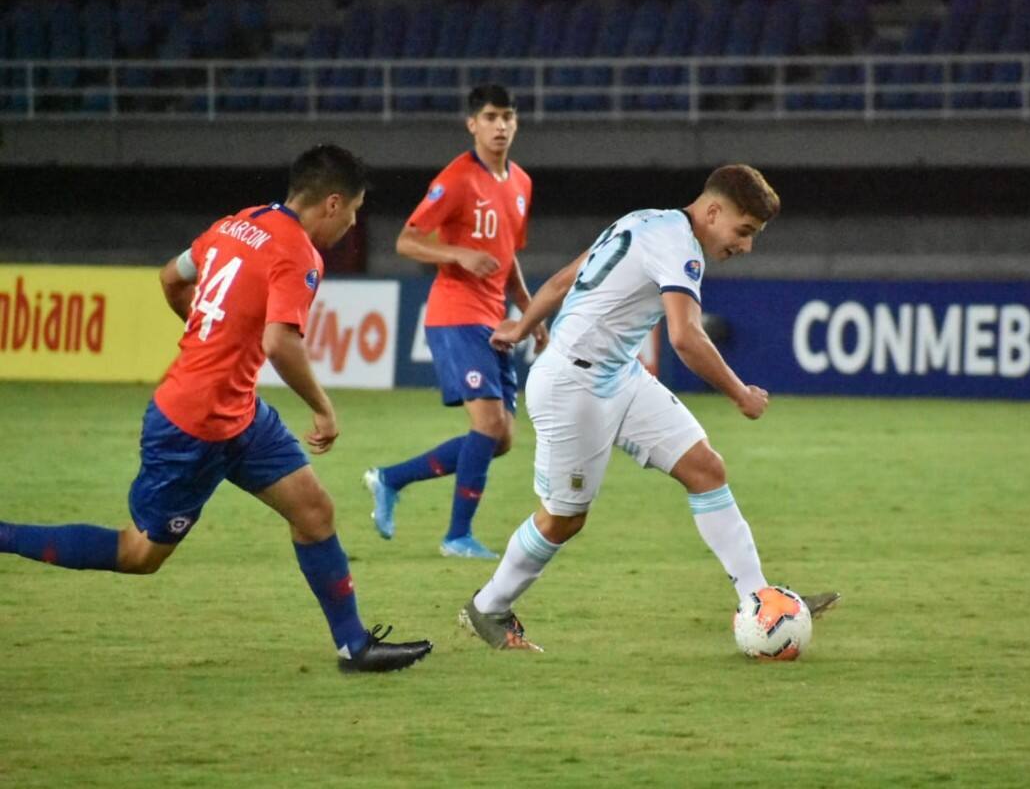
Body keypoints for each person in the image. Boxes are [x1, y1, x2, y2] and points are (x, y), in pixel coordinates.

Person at [0, 145, 432, 673]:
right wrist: (323, 408)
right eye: (356, 211)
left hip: (240, 413)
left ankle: (354, 646)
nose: (353, 223)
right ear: (334, 204)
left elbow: (170, 277)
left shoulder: (238, 223)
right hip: (193, 425)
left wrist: (207, 331)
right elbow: (279, 343)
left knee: (313, 510)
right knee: (139, 555)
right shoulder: (299, 253)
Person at [457, 164, 839, 651]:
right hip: (574, 387)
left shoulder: (643, 220)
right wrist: (740, 393)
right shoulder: (680, 247)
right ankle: (488, 606)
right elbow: (685, 337)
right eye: (744, 232)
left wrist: (521, 324)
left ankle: (759, 599)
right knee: (564, 518)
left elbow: (560, 281)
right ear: (714, 211)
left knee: (706, 469)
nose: (745, 247)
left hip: (619, 375)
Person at [363, 83, 546, 559]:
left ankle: (390, 478)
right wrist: (458, 253)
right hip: (455, 314)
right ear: (472, 124)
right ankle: (456, 537)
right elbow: (407, 240)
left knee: (500, 438)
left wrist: (533, 315)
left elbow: (508, 260)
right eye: (490, 117)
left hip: (496, 321)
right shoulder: (458, 179)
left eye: (507, 116)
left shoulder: (521, 183)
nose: (500, 125)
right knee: (487, 424)